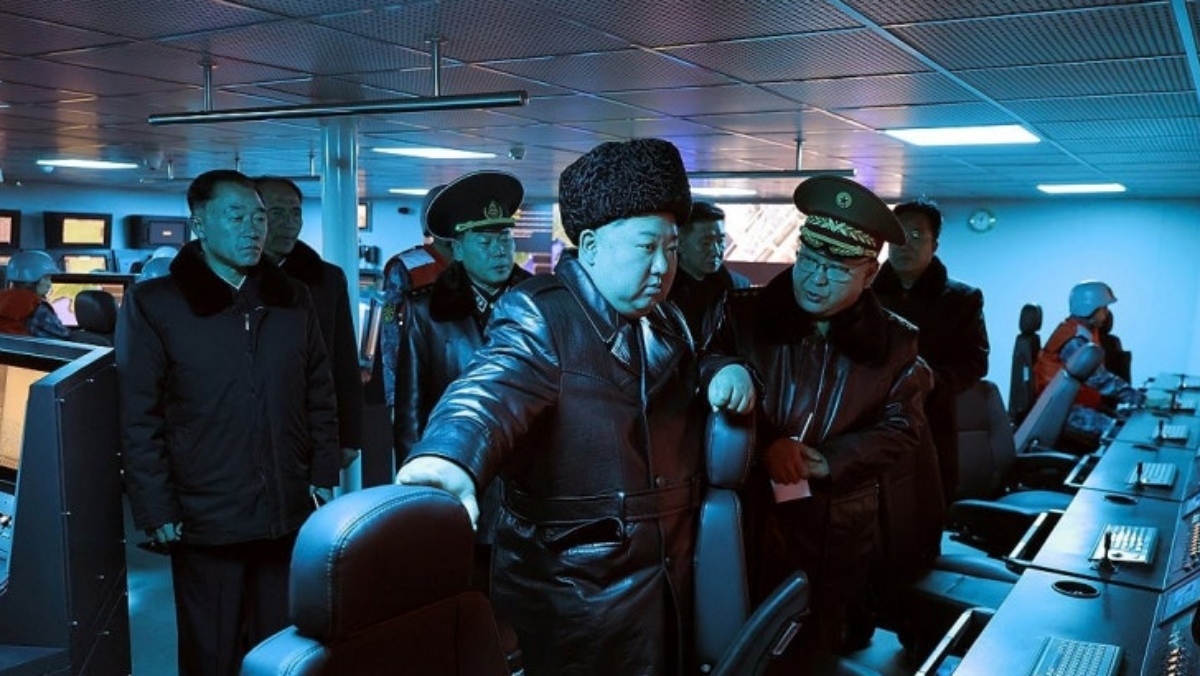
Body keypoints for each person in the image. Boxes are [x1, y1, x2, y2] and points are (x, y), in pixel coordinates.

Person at [396, 138, 756, 675]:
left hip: (668, 578)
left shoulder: (666, 318)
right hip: (577, 596)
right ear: (589, 246)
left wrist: (720, 369)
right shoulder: (542, 315)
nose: (663, 266)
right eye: (646, 247)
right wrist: (448, 455)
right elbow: (491, 389)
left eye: (672, 248)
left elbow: (688, 364)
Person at [116, 169, 341, 676]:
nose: (253, 229)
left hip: (285, 509)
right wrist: (155, 505)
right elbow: (139, 415)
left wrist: (322, 474)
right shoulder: (156, 304)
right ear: (199, 223)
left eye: (258, 217)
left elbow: (319, 394)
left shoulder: (292, 299)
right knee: (211, 651)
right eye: (236, 216)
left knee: (283, 649)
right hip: (204, 515)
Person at [713, 175, 933, 663]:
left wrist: (829, 460)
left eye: (835, 269)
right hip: (746, 509)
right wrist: (767, 443)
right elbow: (701, 386)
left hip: (835, 522)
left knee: (815, 642)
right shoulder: (741, 315)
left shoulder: (896, 343)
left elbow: (903, 429)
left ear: (870, 274)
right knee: (736, 641)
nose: (815, 280)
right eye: (808, 261)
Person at [392, 170, 531, 588]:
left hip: (528, 489)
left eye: (505, 239)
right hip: (460, 479)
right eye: (485, 243)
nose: (499, 252)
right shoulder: (426, 312)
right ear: (458, 248)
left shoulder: (539, 302)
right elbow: (411, 413)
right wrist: (421, 491)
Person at [873, 198, 989, 500]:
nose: (904, 244)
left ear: (934, 245)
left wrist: (930, 381)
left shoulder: (961, 299)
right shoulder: (864, 293)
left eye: (915, 235)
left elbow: (975, 363)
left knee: (928, 498)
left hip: (930, 416)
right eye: (897, 235)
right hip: (869, 417)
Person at [256, 176, 364, 471]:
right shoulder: (232, 277)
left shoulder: (326, 279)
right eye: (277, 213)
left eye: (295, 213)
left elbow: (343, 359)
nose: (289, 224)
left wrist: (349, 434)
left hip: (310, 422)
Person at [371, 189, 453, 408]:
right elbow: (390, 329)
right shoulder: (405, 267)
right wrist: (394, 397)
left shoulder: (477, 264)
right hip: (421, 380)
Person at [1033, 280, 1144, 443]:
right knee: (1123, 434)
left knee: (1126, 424)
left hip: (1074, 404)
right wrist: (1141, 399)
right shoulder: (1075, 341)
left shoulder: (1083, 332)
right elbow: (1100, 380)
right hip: (1064, 411)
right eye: (1104, 308)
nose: (1107, 314)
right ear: (1089, 309)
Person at [667, 200, 751, 348]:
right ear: (680, 245)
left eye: (721, 241)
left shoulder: (738, 287)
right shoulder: (661, 291)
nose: (716, 251)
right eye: (705, 243)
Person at [0, 250, 71, 339]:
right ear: (33, 280)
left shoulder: (2, 299)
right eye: (46, 278)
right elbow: (63, 336)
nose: (49, 284)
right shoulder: (38, 309)